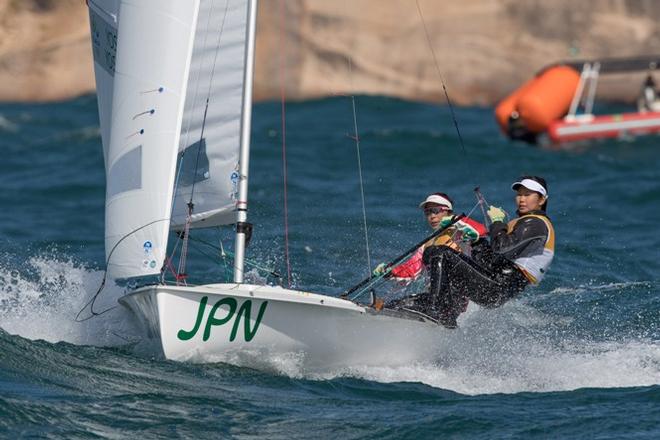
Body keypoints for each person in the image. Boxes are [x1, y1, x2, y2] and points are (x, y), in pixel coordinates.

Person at [421, 176, 555, 328]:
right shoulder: (523, 223)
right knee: (432, 254)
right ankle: (441, 312)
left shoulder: (536, 223)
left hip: (499, 287)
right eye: (519, 195)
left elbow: (501, 247)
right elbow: (492, 259)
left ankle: (439, 310)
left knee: (440, 253)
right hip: (494, 284)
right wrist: (476, 242)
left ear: (542, 200)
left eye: (527, 194)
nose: (521, 199)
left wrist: (497, 222)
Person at [377, 192, 486, 314]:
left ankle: (439, 312)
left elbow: (481, 230)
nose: (432, 216)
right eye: (428, 212)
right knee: (397, 304)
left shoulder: (461, 232)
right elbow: (411, 269)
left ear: (448, 212)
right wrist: (390, 271)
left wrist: (455, 221)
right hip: (435, 298)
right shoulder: (427, 244)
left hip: (456, 299)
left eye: (436, 211)